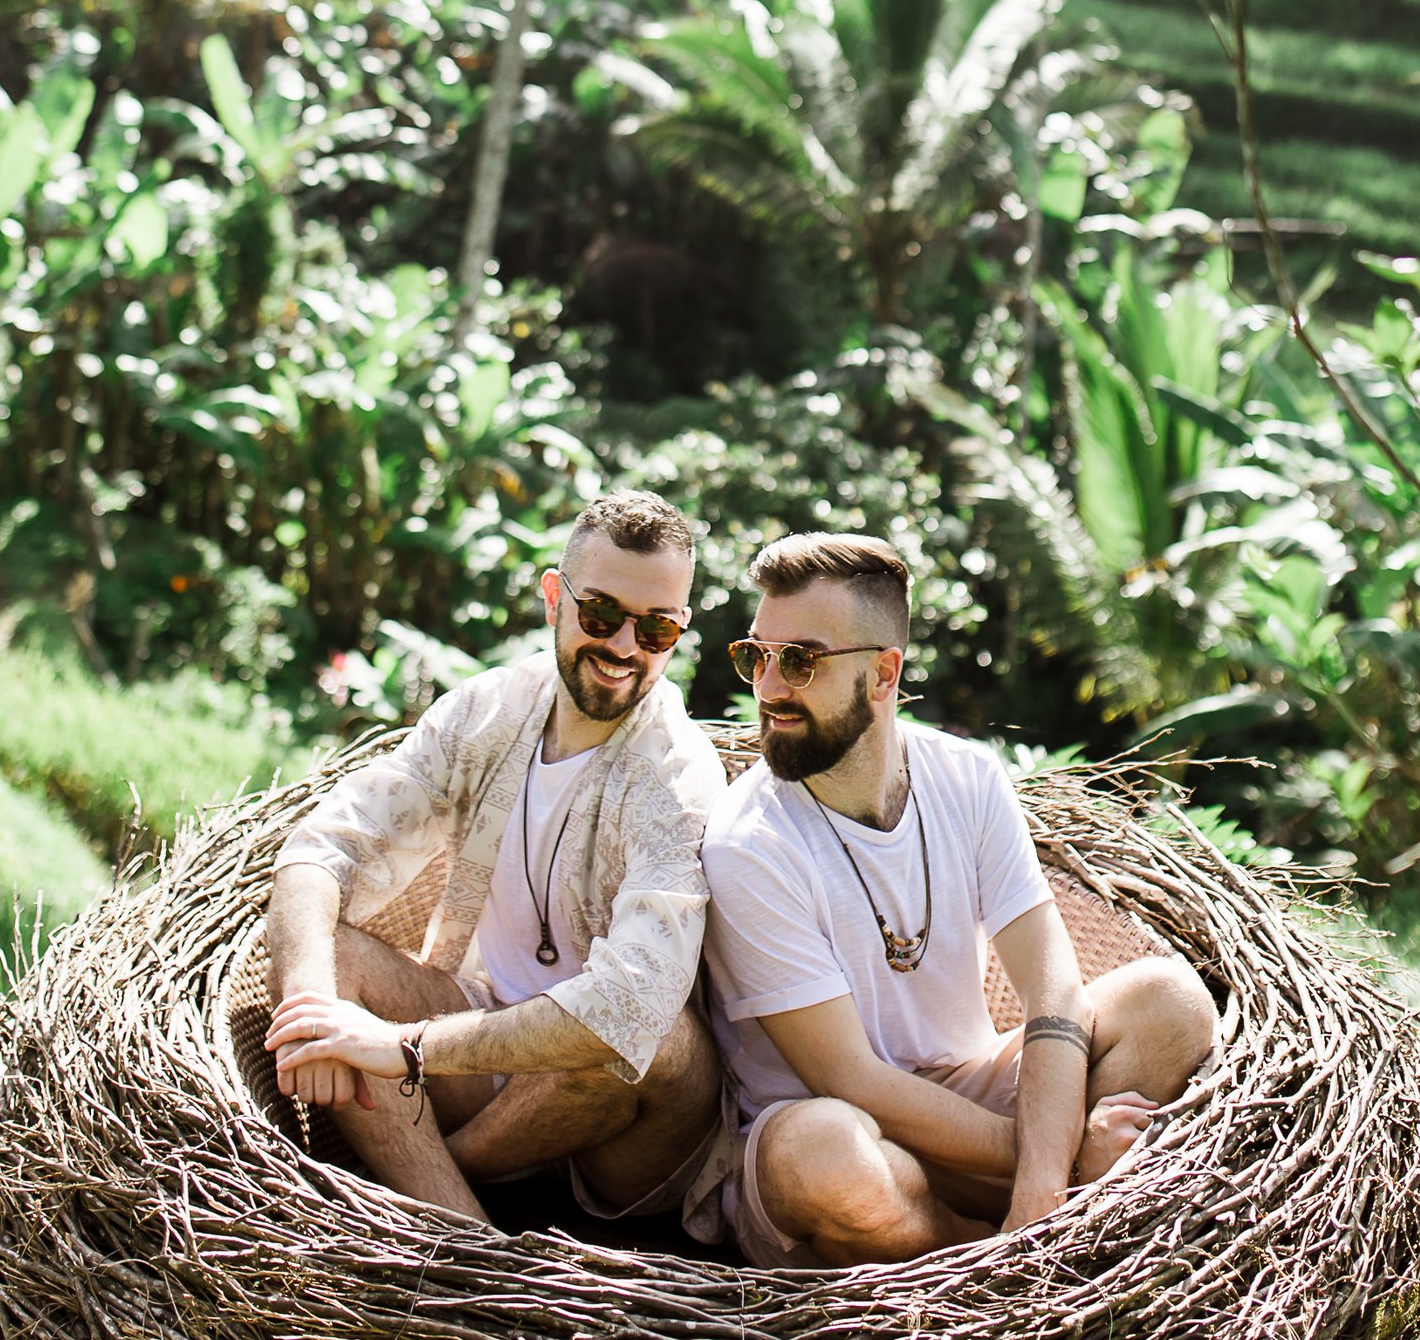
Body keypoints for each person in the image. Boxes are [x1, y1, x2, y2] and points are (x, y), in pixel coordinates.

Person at [699, 533, 1218, 1267]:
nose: (769, 687)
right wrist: (1059, 1151)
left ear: (883, 674)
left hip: (973, 1096)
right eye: (756, 657)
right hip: (845, 1141)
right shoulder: (748, 842)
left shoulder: (968, 777)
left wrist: (1040, 1162)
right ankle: (998, 1252)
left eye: (801, 660)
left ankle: (1032, 1216)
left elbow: (1054, 992)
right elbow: (848, 1079)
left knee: (1169, 1002)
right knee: (826, 1156)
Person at [263, 491, 725, 1229]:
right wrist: (313, 1019)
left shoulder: (679, 780)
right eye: (601, 614)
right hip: (479, 1039)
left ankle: (432, 1181)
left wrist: (400, 1049)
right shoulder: (487, 710)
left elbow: (628, 1012)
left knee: (651, 1034)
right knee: (325, 956)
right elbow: (324, 846)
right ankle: (462, 1236)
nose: (624, 647)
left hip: (627, 1128)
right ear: (555, 597)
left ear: (680, 629)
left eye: (657, 627)